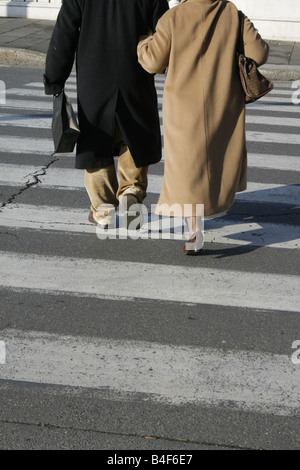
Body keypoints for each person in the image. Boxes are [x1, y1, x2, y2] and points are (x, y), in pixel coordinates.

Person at [137, 0, 269, 254]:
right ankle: (210, 212)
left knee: (188, 169)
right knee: (216, 161)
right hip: (223, 105)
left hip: (183, 108)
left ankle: (194, 231)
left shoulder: (173, 17)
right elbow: (259, 53)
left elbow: (152, 62)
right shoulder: (232, 13)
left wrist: (144, 42)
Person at [44, 0, 169, 229]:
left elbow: (65, 31)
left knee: (96, 139)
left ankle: (103, 210)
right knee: (134, 134)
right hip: (136, 73)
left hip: (95, 75)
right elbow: (165, 29)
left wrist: (54, 78)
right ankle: (132, 190)